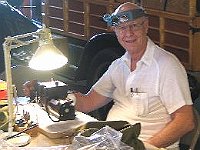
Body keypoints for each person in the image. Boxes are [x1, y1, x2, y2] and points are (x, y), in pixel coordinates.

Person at [23, 2, 195, 150]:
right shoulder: (119, 65)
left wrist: (142, 147)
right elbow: (89, 101)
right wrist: (48, 91)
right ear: (115, 31)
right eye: (121, 28)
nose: (128, 33)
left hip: (147, 146)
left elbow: (185, 121)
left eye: (134, 26)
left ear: (146, 26)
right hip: (113, 142)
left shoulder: (166, 65)